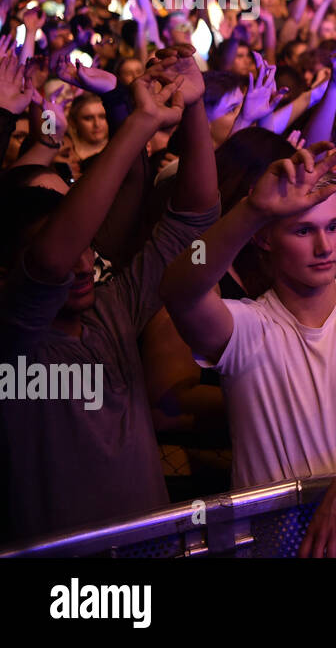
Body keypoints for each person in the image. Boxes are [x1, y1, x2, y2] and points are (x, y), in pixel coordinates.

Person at [159, 144, 336, 558]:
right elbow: (178, 291)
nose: (325, 247)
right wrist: (252, 209)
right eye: (303, 231)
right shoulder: (247, 325)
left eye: (333, 227)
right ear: (263, 238)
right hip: (274, 546)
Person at [0, 46, 215, 540]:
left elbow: (194, 218)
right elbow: (50, 262)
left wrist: (195, 108)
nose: (80, 262)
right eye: (67, 242)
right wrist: (139, 120)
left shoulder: (112, 309)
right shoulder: (13, 333)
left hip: (150, 557)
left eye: (86, 246)